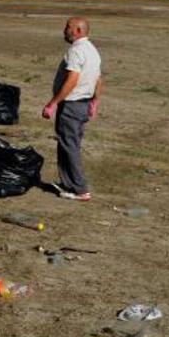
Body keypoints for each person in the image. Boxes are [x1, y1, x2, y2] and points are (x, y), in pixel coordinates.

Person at [42, 17, 103, 202]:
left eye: (67, 27)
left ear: (78, 31)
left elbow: (72, 80)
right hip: (83, 104)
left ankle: (80, 189)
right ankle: (67, 183)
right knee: (67, 143)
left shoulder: (76, 51)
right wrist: (94, 102)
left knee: (70, 146)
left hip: (72, 105)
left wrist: (52, 103)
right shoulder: (92, 50)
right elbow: (98, 79)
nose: (64, 30)